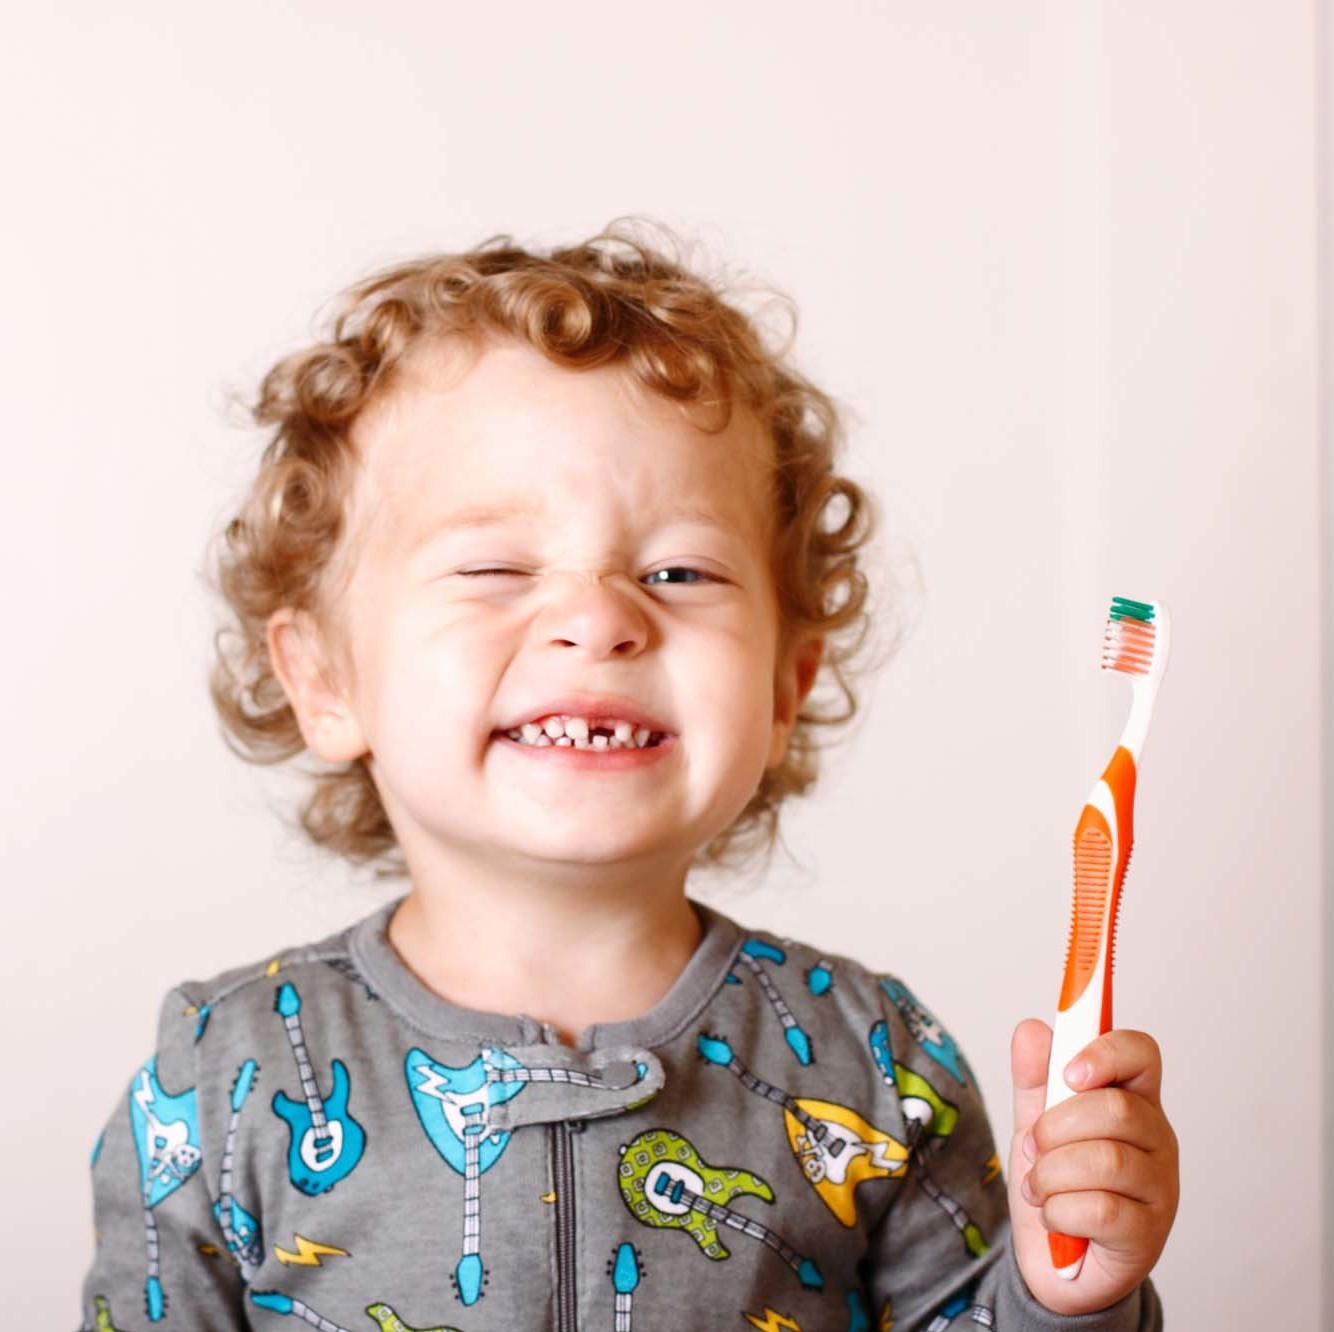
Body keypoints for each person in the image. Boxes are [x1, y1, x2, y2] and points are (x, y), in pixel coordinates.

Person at [79, 220, 1177, 1330]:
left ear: (782, 685)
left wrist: (1062, 1297)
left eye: (678, 570)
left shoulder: (874, 1061)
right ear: (325, 681)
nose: (600, 617)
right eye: (495, 567)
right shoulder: (226, 1075)